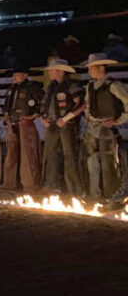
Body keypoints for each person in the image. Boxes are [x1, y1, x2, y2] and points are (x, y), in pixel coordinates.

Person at [81, 53, 128, 198]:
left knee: (109, 163)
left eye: (91, 68)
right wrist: (88, 118)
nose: (89, 71)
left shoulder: (114, 85)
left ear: (101, 68)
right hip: (93, 128)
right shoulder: (90, 86)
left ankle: (112, 194)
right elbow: (87, 106)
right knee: (91, 161)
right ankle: (95, 193)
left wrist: (118, 121)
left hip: (108, 129)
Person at [40, 59, 85, 195]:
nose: (49, 72)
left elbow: (81, 104)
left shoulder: (71, 85)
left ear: (60, 71)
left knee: (69, 154)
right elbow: (45, 104)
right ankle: (51, 184)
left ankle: (74, 189)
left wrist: (66, 118)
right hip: (52, 124)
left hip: (67, 125)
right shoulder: (51, 87)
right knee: (50, 154)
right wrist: (43, 117)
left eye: (51, 70)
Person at [2, 68, 45, 191]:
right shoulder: (11, 89)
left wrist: (31, 117)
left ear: (25, 75)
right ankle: (9, 183)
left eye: (17, 74)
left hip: (25, 123)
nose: (14, 77)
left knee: (28, 155)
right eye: (14, 75)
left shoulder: (32, 87)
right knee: (11, 154)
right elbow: (6, 105)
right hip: (13, 123)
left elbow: (42, 103)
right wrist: (6, 115)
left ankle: (30, 184)